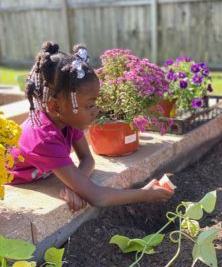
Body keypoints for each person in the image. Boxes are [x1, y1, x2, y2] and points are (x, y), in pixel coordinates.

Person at [9, 41, 174, 212]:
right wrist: (145, 194)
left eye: (95, 103)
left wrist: (77, 187)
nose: (96, 111)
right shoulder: (44, 138)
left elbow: (88, 159)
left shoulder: (66, 118)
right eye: (89, 106)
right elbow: (98, 197)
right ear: (55, 106)